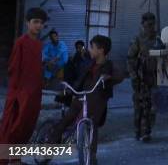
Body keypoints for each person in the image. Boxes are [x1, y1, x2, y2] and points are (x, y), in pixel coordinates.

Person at [47, 35, 122, 165]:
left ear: (101, 50)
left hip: (97, 100)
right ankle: (48, 148)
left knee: (91, 125)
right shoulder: (89, 63)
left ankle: (91, 156)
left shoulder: (109, 65)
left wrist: (108, 78)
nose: (89, 50)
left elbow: (119, 75)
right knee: (66, 120)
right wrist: (70, 88)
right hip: (81, 96)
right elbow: (78, 77)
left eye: (92, 47)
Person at [0, 8, 47, 163]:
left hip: (34, 93)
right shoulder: (21, 42)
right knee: (13, 126)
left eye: (41, 23)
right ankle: (7, 159)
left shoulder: (39, 45)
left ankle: (16, 158)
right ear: (28, 23)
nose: (38, 26)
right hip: (20, 93)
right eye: (35, 22)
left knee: (27, 126)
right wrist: (17, 95)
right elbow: (13, 69)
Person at [127, 12, 158, 142]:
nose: (150, 27)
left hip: (154, 78)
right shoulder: (138, 40)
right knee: (139, 106)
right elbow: (130, 58)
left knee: (151, 107)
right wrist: (134, 76)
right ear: (143, 24)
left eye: (152, 24)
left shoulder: (158, 38)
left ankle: (147, 132)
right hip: (141, 78)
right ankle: (138, 131)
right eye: (148, 24)